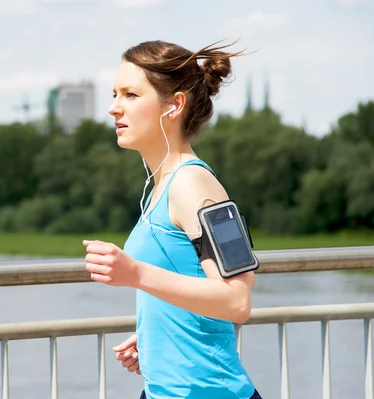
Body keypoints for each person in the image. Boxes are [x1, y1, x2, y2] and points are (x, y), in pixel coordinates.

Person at [83, 40, 262, 399]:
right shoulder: (161, 186)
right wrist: (160, 331)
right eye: (115, 94)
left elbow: (237, 300)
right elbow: (187, 277)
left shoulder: (193, 184)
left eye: (131, 95)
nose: (113, 108)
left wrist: (135, 274)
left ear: (175, 105)